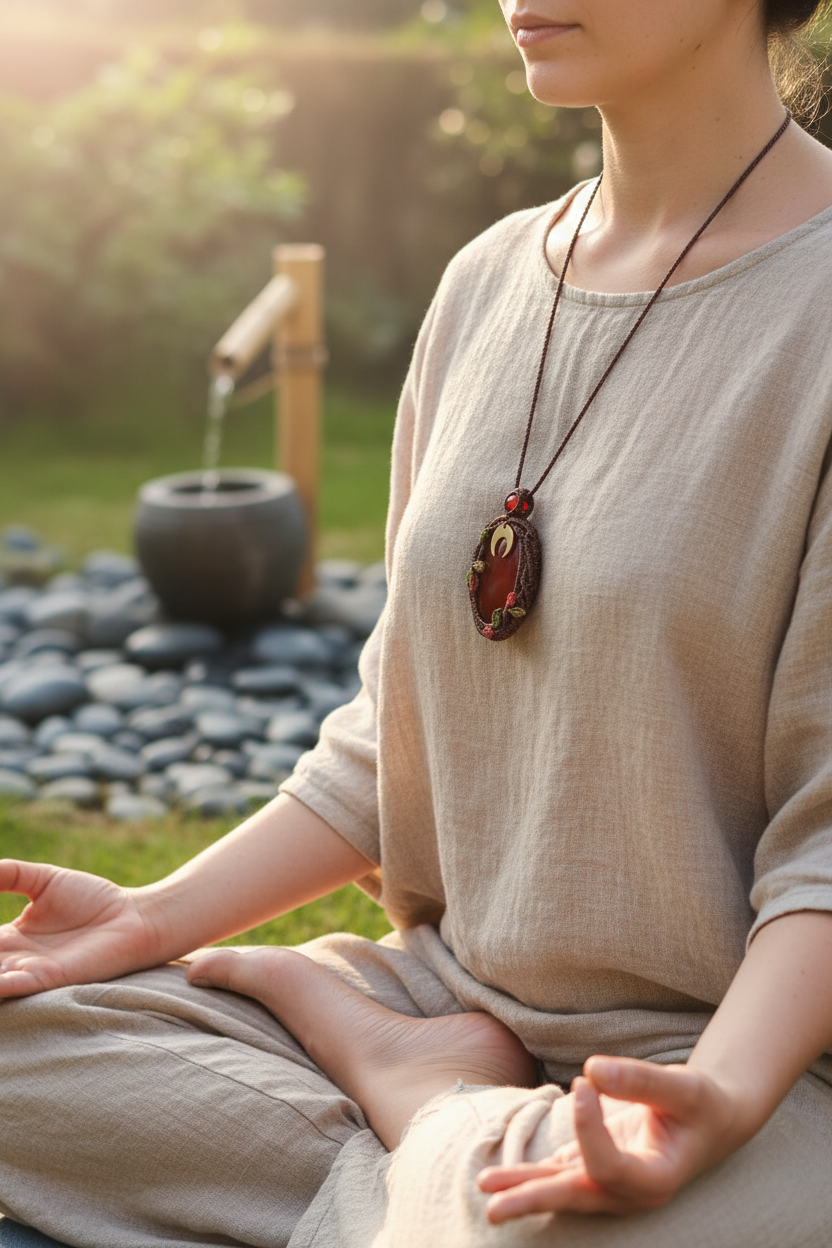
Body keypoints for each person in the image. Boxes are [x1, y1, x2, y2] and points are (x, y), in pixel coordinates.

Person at [2, 0, 832, 1244]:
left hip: (744, 1065)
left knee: (532, 1227)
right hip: (444, 986)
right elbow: (393, 737)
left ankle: (419, 1102)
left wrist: (714, 1096)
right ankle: (437, 1136)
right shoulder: (487, 281)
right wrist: (151, 917)